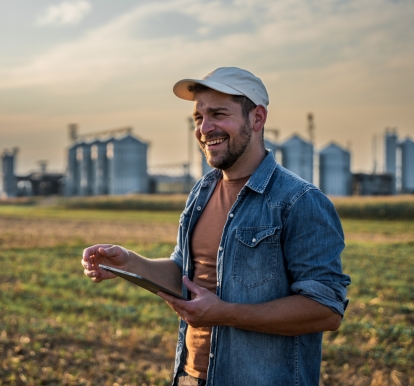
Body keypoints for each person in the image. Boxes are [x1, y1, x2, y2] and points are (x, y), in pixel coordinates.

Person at [82, 67, 351, 386]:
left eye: (218, 114)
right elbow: (185, 274)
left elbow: (325, 310)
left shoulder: (298, 201)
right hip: (192, 377)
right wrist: (131, 263)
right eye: (198, 117)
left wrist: (224, 313)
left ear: (257, 118)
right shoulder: (202, 192)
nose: (204, 128)